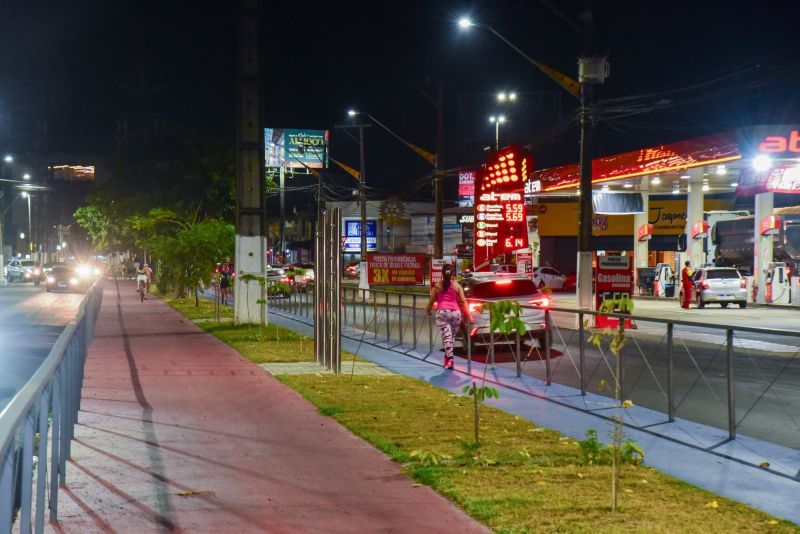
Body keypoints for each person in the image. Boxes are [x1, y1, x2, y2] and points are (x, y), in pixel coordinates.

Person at [426, 264, 468, 370]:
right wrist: (467, 313)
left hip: (442, 313)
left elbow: (430, 303)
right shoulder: (457, 285)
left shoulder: (437, 286)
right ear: (453, 273)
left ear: (442, 273)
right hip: (456, 313)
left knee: (447, 337)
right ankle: (447, 357)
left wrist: (429, 312)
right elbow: (463, 300)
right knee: (450, 337)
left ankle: (450, 359)